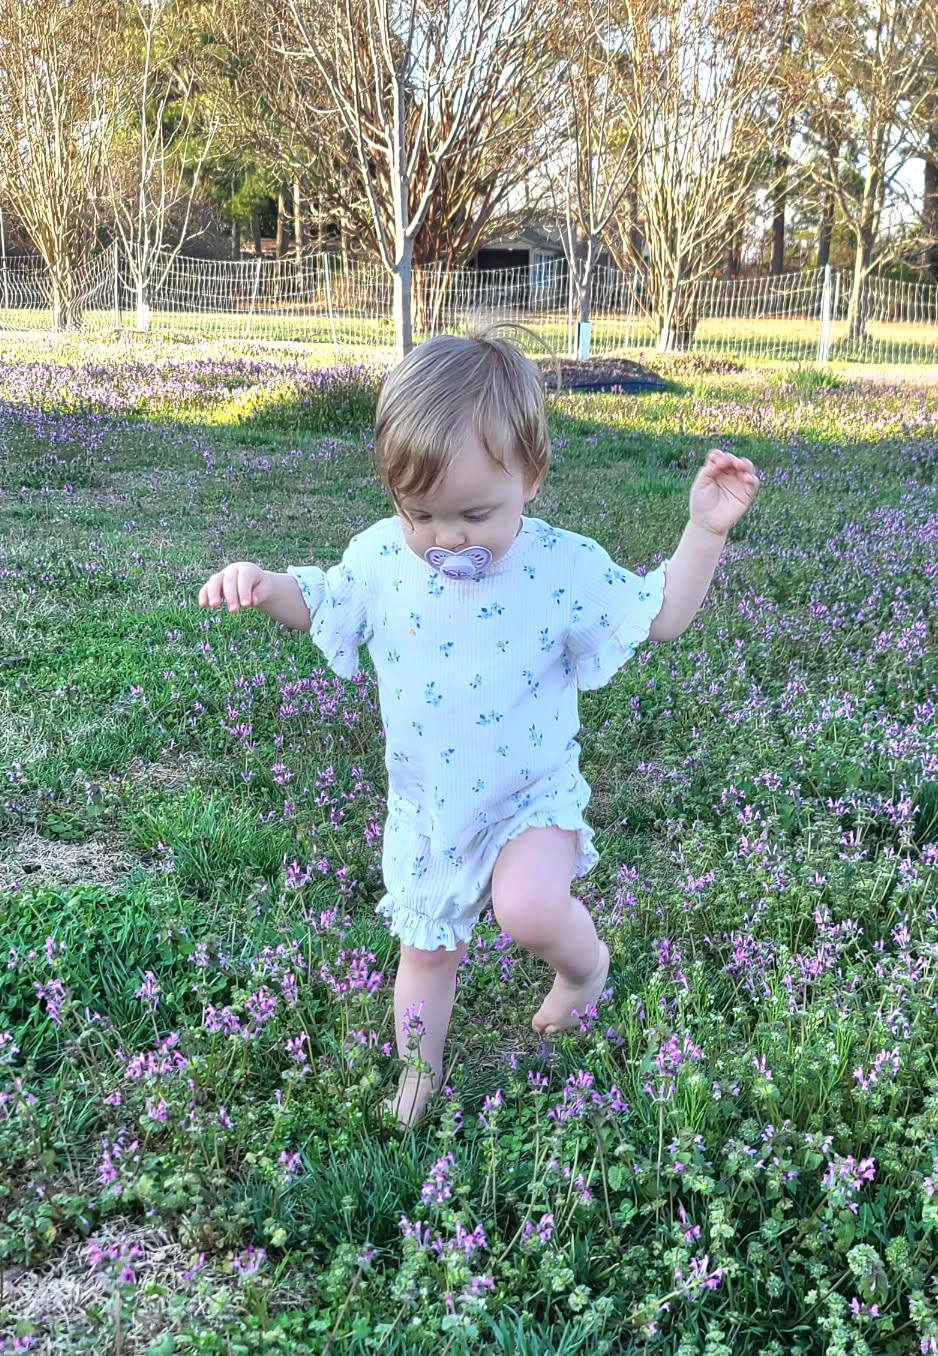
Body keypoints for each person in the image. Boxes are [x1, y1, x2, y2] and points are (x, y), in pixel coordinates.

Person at [198, 329, 759, 1126]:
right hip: (432, 810)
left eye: (474, 514)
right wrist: (266, 585)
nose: (446, 539)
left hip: (530, 794)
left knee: (527, 908)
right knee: (425, 951)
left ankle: (584, 970)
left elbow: (660, 616)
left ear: (531, 477)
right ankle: (417, 1079)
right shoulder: (385, 558)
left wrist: (704, 532)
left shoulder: (561, 566)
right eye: (418, 513)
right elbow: (327, 601)